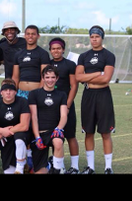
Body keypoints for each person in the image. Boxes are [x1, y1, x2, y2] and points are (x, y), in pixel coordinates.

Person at [75, 25, 115, 174]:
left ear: (101, 38)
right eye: (92, 37)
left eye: (97, 37)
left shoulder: (109, 55)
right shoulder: (83, 56)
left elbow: (106, 79)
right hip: (88, 95)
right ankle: (90, 167)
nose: (94, 39)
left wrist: (89, 78)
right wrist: (98, 72)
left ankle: (108, 167)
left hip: (103, 95)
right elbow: (78, 77)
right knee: (88, 131)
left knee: (105, 132)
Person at [12, 24, 51, 173]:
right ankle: (25, 157)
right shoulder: (19, 54)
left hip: (35, 93)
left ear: (38, 36)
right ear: (24, 35)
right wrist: (15, 93)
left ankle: (37, 158)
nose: (30, 36)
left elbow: (44, 76)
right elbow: (15, 76)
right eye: (27, 34)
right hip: (21, 93)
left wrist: (40, 94)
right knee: (23, 125)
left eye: (33, 34)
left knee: (36, 124)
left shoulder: (42, 53)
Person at [0, 78, 31, 174]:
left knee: (19, 138)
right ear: (1, 93)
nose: (8, 93)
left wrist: (4, 133)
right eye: (5, 90)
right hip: (3, 138)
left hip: (18, 136)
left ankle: (20, 169)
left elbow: (24, 126)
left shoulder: (22, 102)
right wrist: (0, 131)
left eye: (11, 90)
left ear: (15, 92)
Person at [28, 64, 68, 174]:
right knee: (40, 172)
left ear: (57, 78)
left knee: (58, 141)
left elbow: (64, 116)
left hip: (53, 132)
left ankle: (57, 169)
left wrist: (58, 129)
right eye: (47, 77)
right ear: (43, 78)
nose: (50, 80)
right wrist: (37, 137)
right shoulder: (34, 94)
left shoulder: (61, 94)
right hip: (39, 134)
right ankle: (50, 164)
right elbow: (34, 117)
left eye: (53, 77)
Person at [49, 37, 80, 174]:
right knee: (53, 136)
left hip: (66, 106)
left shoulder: (70, 64)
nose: (56, 51)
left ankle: (75, 167)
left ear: (63, 50)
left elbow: (74, 86)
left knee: (70, 135)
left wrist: (67, 105)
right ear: (50, 50)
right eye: (53, 48)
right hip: (50, 106)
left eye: (58, 48)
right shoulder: (47, 65)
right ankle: (57, 165)